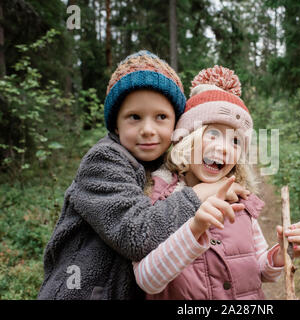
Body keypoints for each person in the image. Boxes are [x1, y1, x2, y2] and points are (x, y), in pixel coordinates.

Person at [37, 51, 247, 300]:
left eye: (161, 117)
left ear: (176, 126)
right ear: (116, 124)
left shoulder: (167, 167)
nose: (148, 130)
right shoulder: (104, 161)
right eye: (134, 117)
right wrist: (200, 194)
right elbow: (137, 234)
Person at [133, 65, 300, 299]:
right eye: (213, 134)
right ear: (187, 140)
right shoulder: (160, 198)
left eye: (235, 141)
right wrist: (193, 229)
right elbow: (147, 281)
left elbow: (257, 269)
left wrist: (280, 256)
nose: (224, 148)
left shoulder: (241, 202)